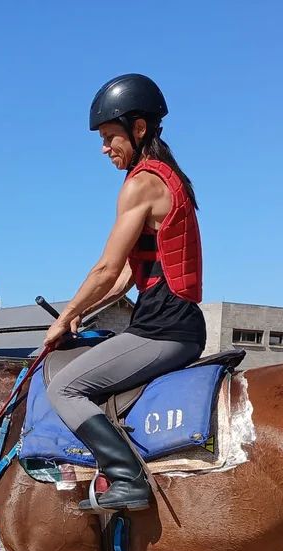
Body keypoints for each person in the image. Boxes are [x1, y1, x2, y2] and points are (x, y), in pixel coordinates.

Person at [43, 73, 205, 512]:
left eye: (110, 136)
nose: (104, 148)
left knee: (65, 388)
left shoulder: (142, 183)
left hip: (163, 330)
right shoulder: (167, 177)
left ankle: (127, 480)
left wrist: (62, 317)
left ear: (139, 129)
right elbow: (127, 278)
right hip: (169, 322)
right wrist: (82, 312)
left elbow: (106, 267)